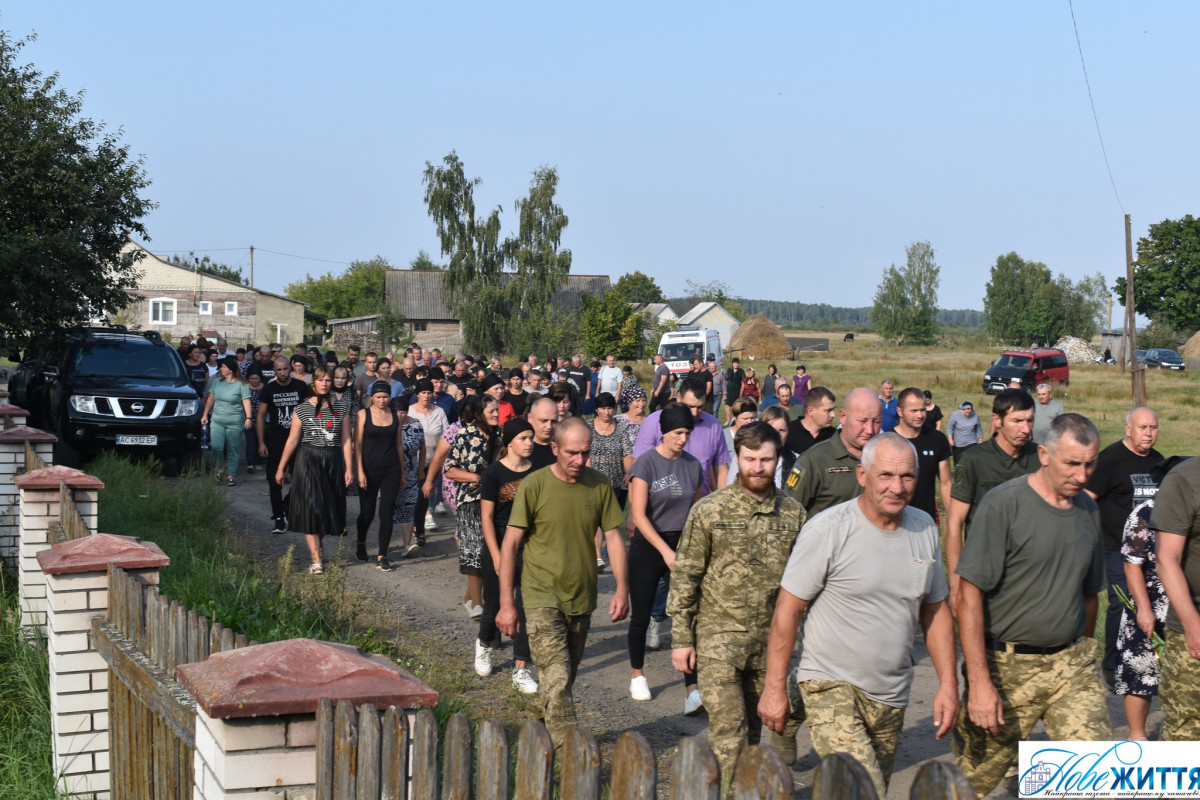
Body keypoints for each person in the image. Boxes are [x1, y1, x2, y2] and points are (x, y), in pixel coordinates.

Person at [760, 433, 958, 796]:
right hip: (829, 682)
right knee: (860, 789)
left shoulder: (925, 529)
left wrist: (948, 684)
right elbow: (787, 610)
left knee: (863, 789)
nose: (897, 487)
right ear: (863, 475)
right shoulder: (828, 530)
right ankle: (795, 700)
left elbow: (935, 611)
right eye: (886, 476)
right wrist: (774, 689)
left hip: (891, 694)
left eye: (907, 477)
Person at [953, 414, 1112, 796]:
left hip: (1069, 665)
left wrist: (1084, 656)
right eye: (1072, 463)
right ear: (1044, 454)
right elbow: (968, 595)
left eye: (1090, 463)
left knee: (1098, 775)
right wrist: (979, 683)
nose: (1083, 474)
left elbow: (1090, 594)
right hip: (1007, 668)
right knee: (970, 783)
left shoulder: (1088, 511)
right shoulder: (1003, 505)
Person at [667, 422, 805, 778]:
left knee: (757, 735)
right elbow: (686, 575)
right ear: (738, 458)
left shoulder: (794, 515)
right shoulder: (710, 510)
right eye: (749, 459)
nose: (757, 468)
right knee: (730, 733)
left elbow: (806, 586)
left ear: (778, 461)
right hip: (718, 639)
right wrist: (682, 639)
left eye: (766, 459)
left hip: (769, 645)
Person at [495, 417, 629, 752]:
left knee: (562, 678)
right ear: (554, 448)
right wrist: (507, 603)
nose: (579, 460)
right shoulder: (535, 485)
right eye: (572, 452)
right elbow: (511, 544)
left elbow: (614, 537)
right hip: (540, 593)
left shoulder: (599, 485)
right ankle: (569, 757)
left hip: (582, 596)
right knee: (556, 676)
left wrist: (623, 589)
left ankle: (532, 731)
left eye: (585, 453)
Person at [627, 405, 703, 708]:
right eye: (677, 433)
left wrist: (684, 551)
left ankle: (692, 687)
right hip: (648, 545)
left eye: (687, 433)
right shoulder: (645, 464)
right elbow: (638, 515)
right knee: (642, 615)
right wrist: (665, 551)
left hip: (681, 544)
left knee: (686, 615)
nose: (683, 439)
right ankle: (637, 674)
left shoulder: (694, 465)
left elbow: (695, 512)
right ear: (663, 432)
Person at [1084, 406, 1163, 690]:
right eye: (1143, 427)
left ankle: (1149, 657)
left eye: (1153, 428)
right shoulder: (1109, 460)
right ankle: (1112, 662)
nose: (1148, 433)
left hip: (1150, 551)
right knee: (1123, 600)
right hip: (1114, 546)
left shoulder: (1158, 462)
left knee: (1153, 602)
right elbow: (1086, 499)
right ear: (1128, 429)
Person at [945, 389, 1037, 615]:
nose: (1025, 429)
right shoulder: (974, 459)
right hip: (984, 573)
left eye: (1030, 421)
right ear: (997, 420)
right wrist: (956, 584)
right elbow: (954, 524)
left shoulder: (1041, 457)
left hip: (1031, 573)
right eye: (1017, 421)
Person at [476, 417, 539, 695]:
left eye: (531, 437)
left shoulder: (537, 472)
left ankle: (521, 668)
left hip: (529, 542)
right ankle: (485, 645)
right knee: (493, 605)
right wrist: (496, 555)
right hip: (499, 540)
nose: (529, 443)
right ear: (509, 442)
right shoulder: (493, 473)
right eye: (523, 438)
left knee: (526, 606)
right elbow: (487, 518)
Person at [275, 366, 355, 574]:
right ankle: (316, 560)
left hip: (332, 460)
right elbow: (293, 440)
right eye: (321, 380)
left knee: (326, 509)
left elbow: (346, 440)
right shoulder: (302, 408)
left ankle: (318, 548)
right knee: (312, 507)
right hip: (308, 459)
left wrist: (349, 468)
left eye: (328, 380)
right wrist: (281, 467)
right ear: (314, 383)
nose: (325, 384)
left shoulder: (342, 407)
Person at [1150, 454, 1200, 741]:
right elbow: (1166, 558)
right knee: (1187, 732)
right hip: (1191, 631)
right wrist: (1192, 625)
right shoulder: (1185, 480)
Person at [1114, 496, 1168, 741]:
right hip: (1150, 603)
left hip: (1186, 607)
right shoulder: (1146, 513)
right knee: (1141, 671)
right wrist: (1144, 610)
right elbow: (1131, 564)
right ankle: (1138, 737)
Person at [784, 387, 881, 517]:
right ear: (843, 417)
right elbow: (788, 514)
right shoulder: (812, 460)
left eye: (876, 421)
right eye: (862, 421)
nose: (870, 430)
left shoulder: (886, 458)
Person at [445, 396, 501, 618]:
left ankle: (470, 597)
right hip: (470, 499)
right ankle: (477, 603)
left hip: (496, 500)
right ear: (479, 414)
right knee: (473, 550)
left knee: (490, 552)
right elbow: (449, 469)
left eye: (497, 410)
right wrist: (475, 477)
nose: (496, 414)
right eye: (492, 411)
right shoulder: (465, 435)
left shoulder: (501, 435)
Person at [634, 378, 729, 496]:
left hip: (699, 504)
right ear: (678, 397)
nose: (695, 412)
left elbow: (721, 469)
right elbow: (639, 467)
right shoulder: (653, 422)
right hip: (661, 506)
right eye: (690, 406)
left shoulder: (713, 425)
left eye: (700, 407)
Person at [353, 382, 406, 570]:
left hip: (390, 469)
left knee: (387, 512)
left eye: (385, 397)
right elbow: (357, 445)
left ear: (390, 397)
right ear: (372, 397)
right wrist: (359, 471)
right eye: (378, 397)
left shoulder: (396, 415)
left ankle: (382, 555)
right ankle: (361, 542)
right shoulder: (363, 415)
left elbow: (399, 445)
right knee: (367, 513)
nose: (382, 400)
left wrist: (402, 472)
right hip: (368, 469)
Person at [257, 357, 311, 533]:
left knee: (302, 479)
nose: (282, 373)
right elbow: (260, 416)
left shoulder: (301, 386)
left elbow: (311, 410)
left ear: (291, 369)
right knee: (275, 481)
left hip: (298, 440)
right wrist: (261, 442)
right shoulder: (269, 389)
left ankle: (287, 504)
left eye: (285, 369)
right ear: (274, 370)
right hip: (275, 440)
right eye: (278, 370)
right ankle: (279, 518)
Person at [587, 392, 633, 570]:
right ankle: (598, 556)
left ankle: (606, 551)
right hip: (594, 481)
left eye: (610, 408)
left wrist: (628, 472)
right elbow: (585, 450)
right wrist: (589, 473)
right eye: (603, 408)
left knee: (610, 521)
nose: (607, 412)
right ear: (597, 409)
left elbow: (627, 452)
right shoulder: (589, 426)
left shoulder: (620, 428)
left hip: (615, 481)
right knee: (597, 519)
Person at [893, 387, 953, 523]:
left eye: (923, 410)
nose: (920, 415)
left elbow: (946, 483)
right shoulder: (888, 441)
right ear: (900, 412)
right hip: (895, 521)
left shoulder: (938, 440)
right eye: (914, 411)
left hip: (927, 520)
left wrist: (952, 519)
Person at [200, 355, 252, 486]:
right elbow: (211, 399)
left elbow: (246, 401)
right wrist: (205, 414)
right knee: (217, 446)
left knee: (233, 448)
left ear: (231, 369)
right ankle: (220, 468)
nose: (221, 369)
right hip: (217, 420)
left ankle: (231, 475)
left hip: (235, 421)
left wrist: (248, 417)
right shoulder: (217, 382)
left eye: (223, 367)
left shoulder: (242, 384)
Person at [408, 379, 449, 539]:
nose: (426, 396)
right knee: (413, 498)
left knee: (425, 497)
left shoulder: (439, 412)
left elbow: (446, 437)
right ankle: (412, 530)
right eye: (423, 393)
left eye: (429, 393)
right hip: (412, 463)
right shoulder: (410, 412)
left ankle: (420, 530)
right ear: (417, 394)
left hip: (432, 463)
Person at [389, 394, 425, 561]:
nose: (400, 415)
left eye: (403, 412)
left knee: (409, 508)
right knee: (388, 510)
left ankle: (406, 545)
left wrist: (421, 470)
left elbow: (422, 447)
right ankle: (384, 546)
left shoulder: (415, 424)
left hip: (411, 473)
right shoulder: (386, 424)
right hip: (390, 473)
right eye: (397, 412)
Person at [783, 385, 836, 474]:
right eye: (828, 410)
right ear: (811, 411)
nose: (833, 415)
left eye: (833, 410)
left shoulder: (835, 436)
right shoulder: (788, 433)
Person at [526, 397, 559, 469]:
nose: (549, 426)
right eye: (544, 421)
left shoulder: (563, 450)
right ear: (530, 418)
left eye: (553, 421)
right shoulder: (520, 449)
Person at [244, 371, 264, 474]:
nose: (254, 381)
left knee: (260, 440)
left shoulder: (265, 388)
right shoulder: (245, 388)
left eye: (256, 378)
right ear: (248, 379)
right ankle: (250, 463)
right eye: (252, 379)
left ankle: (258, 461)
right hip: (249, 418)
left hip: (262, 418)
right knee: (250, 441)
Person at [722, 358, 745, 424]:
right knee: (727, 405)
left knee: (737, 406)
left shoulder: (741, 371)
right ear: (732, 364)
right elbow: (726, 380)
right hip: (729, 390)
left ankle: (736, 419)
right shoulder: (729, 370)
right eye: (734, 363)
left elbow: (743, 382)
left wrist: (741, 393)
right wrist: (724, 392)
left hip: (737, 390)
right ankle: (728, 420)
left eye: (737, 363)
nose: (736, 364)